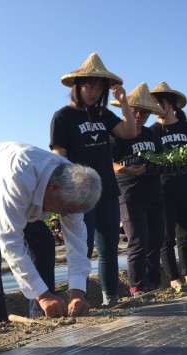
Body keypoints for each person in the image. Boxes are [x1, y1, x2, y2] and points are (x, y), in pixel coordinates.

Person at [0, 141, 101, 324]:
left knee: (43, 240)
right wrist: (42, 295)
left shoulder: (72, 188)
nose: (65, 215)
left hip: (6, 195)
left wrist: (77, 292)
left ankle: (41, 314)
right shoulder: (20, 176)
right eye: (65, 209)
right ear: (54, 187)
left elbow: (77, 244)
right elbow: (11, 242)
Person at [50, 52, 137, 307]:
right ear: (77, 86)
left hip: (107, 191)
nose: (94, 91)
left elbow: (130, 132)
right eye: (89, 85)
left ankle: (111, 298)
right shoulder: (63, 117)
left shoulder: (103, 115)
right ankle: (81, 299)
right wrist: (61, 197)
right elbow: (58, 159)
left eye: (99, 86)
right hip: (79, 196)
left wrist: (123, 105)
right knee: (82, 249)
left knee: (109, 248)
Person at [110, 83, 165, 296]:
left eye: (144, 112)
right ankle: (137, 285)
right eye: (136, 110)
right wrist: (126, 170)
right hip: (129, 193)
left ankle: (153, 283)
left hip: (154, 192)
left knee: (156, 239)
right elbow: (108, 163)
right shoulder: (117, 135)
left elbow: (161, 160)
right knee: (137, 240)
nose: (140, 115)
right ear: (127, 110)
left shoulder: (152, 136)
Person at [150, 82, 187, 289]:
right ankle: (173, 278)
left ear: (171, 104)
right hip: (163, 191)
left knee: (186, 235)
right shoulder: (151, 132)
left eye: (159, 103)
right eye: (152, 104)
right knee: (166, 237)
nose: (156, 108)